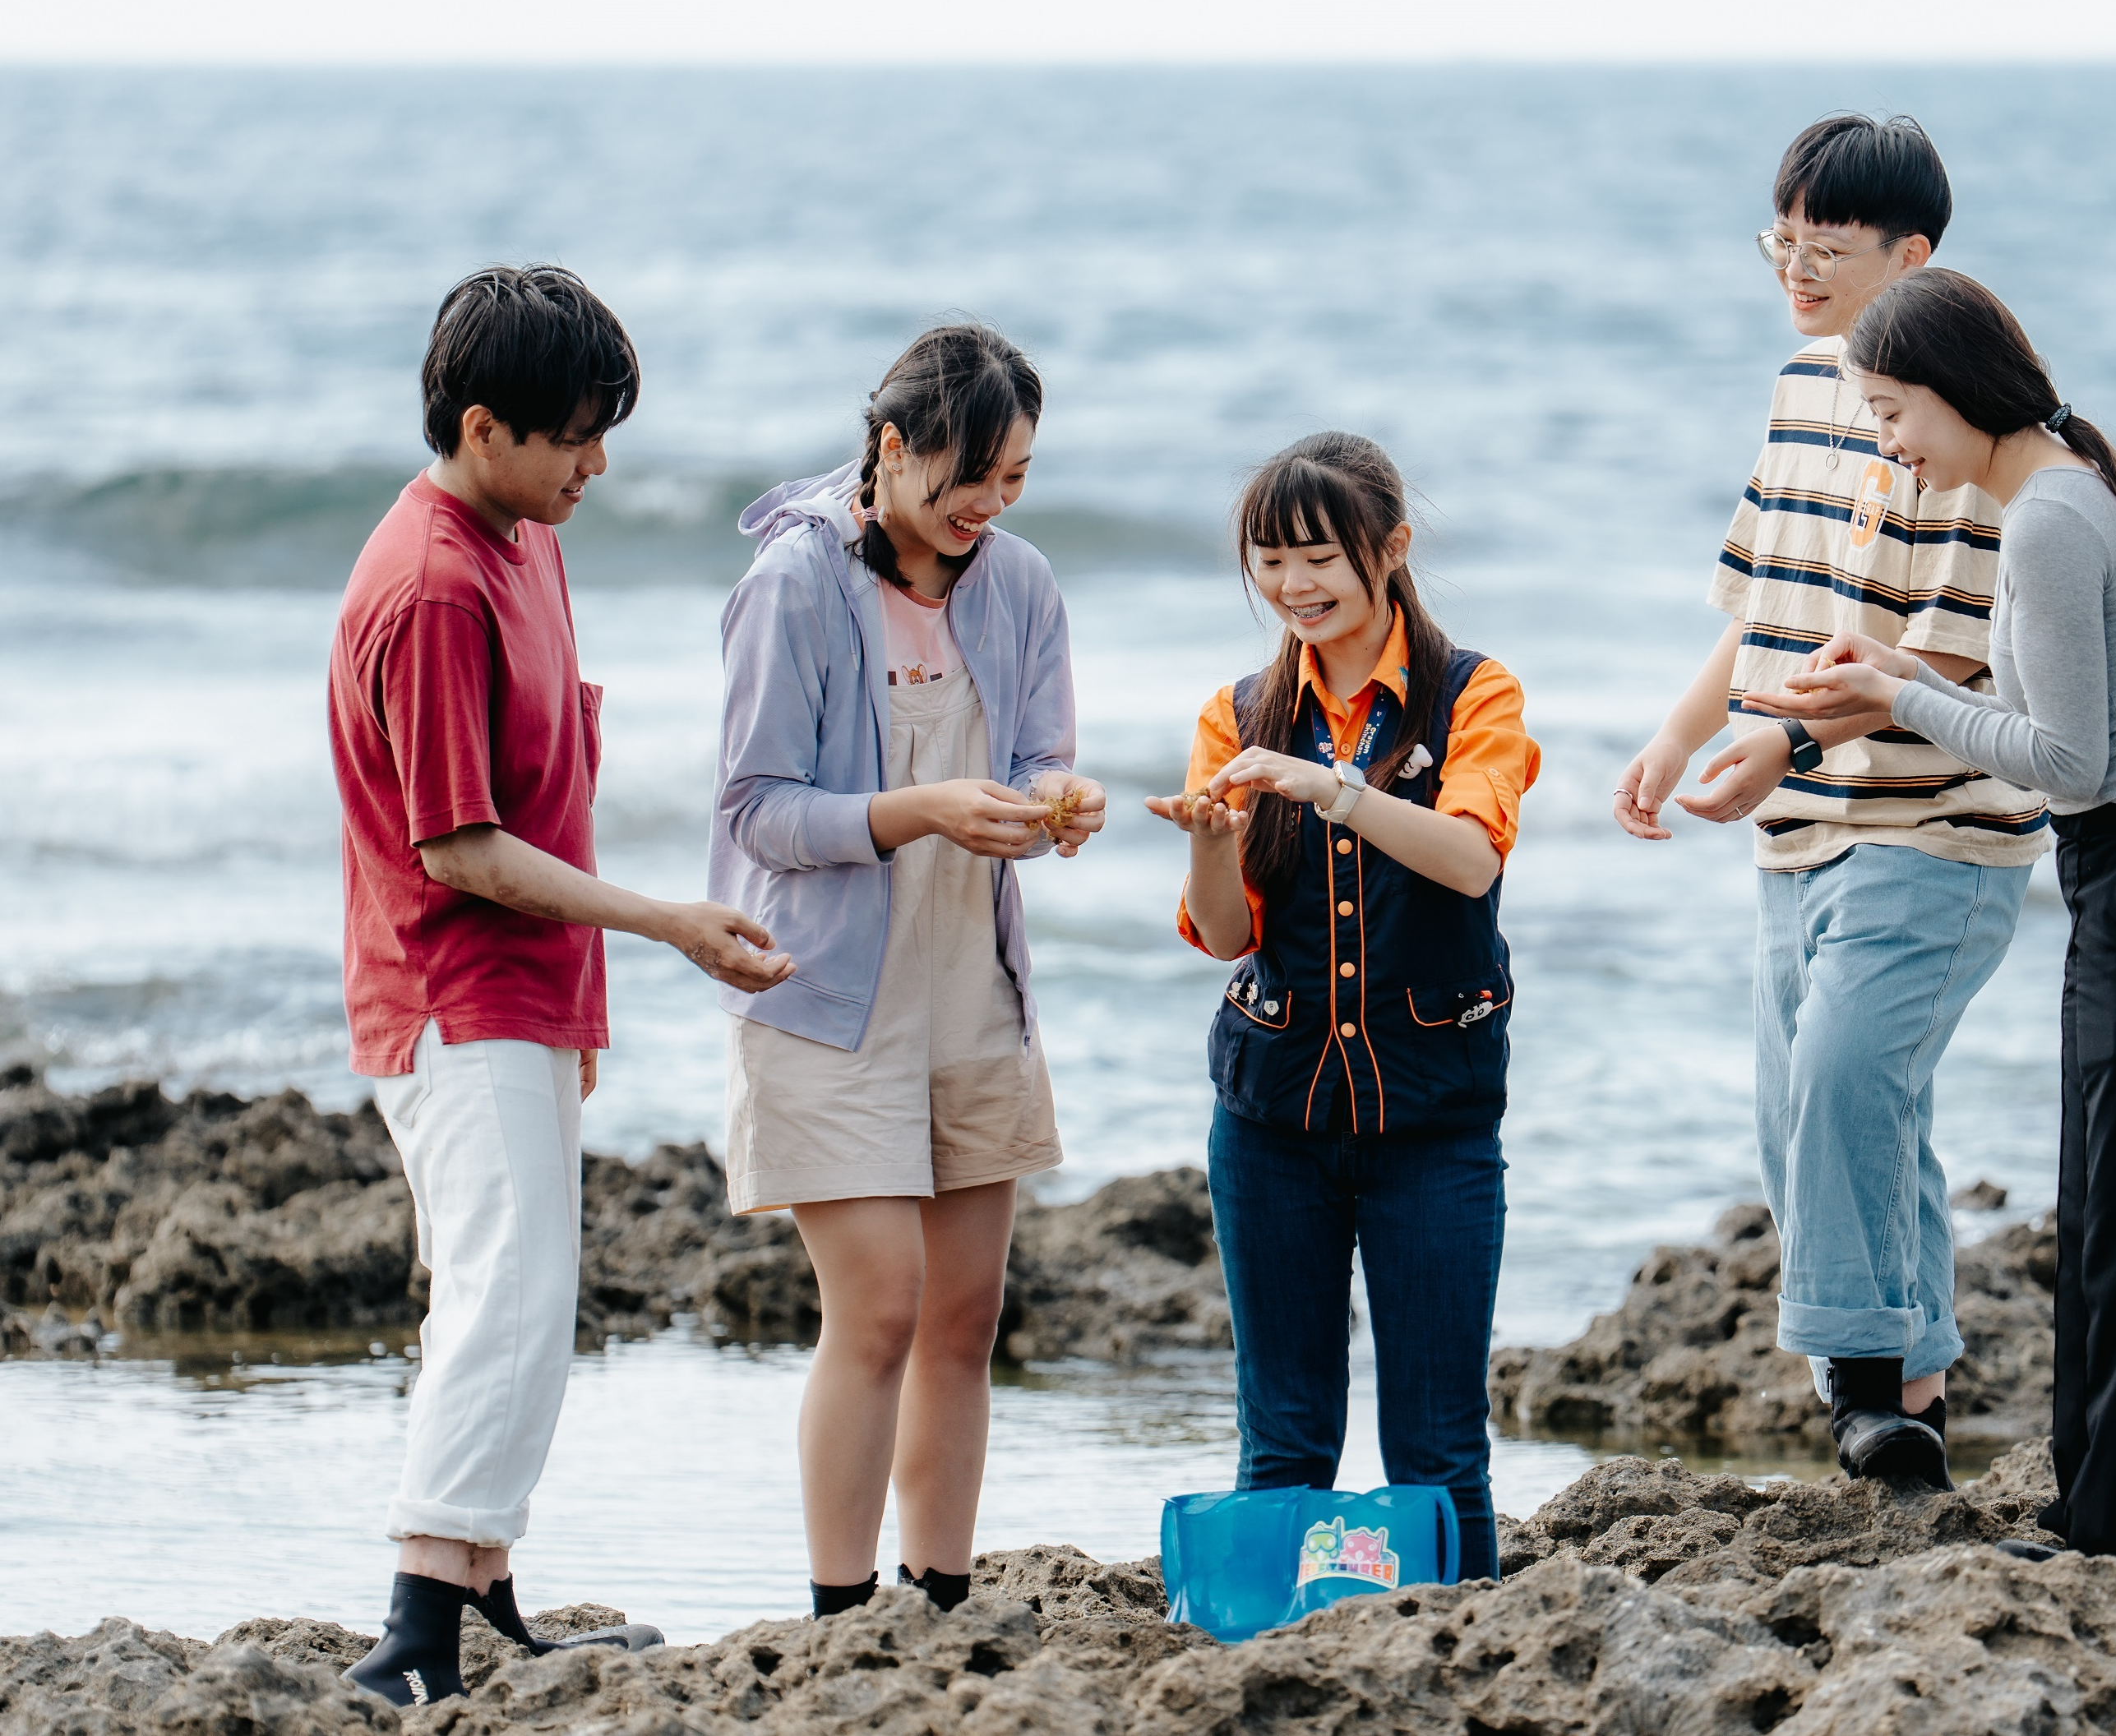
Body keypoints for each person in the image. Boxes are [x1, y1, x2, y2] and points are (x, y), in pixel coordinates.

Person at [1749, 266, 2116, 1579]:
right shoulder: (2060, 488)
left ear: (1957, 390)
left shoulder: (2047, 517)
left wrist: (1899, 699)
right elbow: (2060, 716)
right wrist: (1904, 679)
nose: (1887, 444)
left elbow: (2072, 762)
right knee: (2099, 1208)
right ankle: (2098, 1510)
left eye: (1892, 413)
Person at [329, 265, 795, 1706]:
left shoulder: (525, 540)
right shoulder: (433, 584)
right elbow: (463, 845)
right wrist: (667, 922)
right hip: (450, 989)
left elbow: (552, 786)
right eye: (578, 436)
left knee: (524, 1289)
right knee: (503, 1295)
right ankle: (417, 1632)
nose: (600, 463)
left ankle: (482, 1597)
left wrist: (587, 999)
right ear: (485, 427)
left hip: (529, 992)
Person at [1612, 115, 2048, 1488]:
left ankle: (1861, 1384)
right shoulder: (1803, 389)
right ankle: (1909, 1383)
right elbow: (1766, 604)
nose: (1794, 270)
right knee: (1831, 1103)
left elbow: (1954, 653)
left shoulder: (1964, 430)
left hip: (1937, 820)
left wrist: (1775, 750)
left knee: (1846, 1077)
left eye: (1827, 250)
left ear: (1910, 257)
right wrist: (1685, 734)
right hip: (1801, 822)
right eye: (1779, 243)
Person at [710, 322, 1103, 1620]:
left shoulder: (1021, 582)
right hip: (824, 997)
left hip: (971, 990)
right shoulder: (795, 586)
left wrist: (1058, 803)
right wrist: (919, 810)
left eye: (1016, 481)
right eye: (966, 481)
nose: (988, 511)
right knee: (877, 1310)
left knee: (965, 1315)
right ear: (891, 451)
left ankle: (939, 1599)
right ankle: (838, 1615)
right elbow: (760, 812)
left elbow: (1041, 751)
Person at [1146, 432, 1541, 1582]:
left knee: (1438, 1449)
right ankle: (1269, 1655)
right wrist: (1215, 849)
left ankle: (1466, 1658)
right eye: (1269, 560)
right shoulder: (1240, 708)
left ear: (1392, 549)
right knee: (1283, 1443)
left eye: (1318, 556)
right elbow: (1224, 936)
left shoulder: (1477, 691)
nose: (1293, 586)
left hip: (1436, 1122)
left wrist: (1331, 787)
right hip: (1272, 1118)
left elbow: (1468, 859)